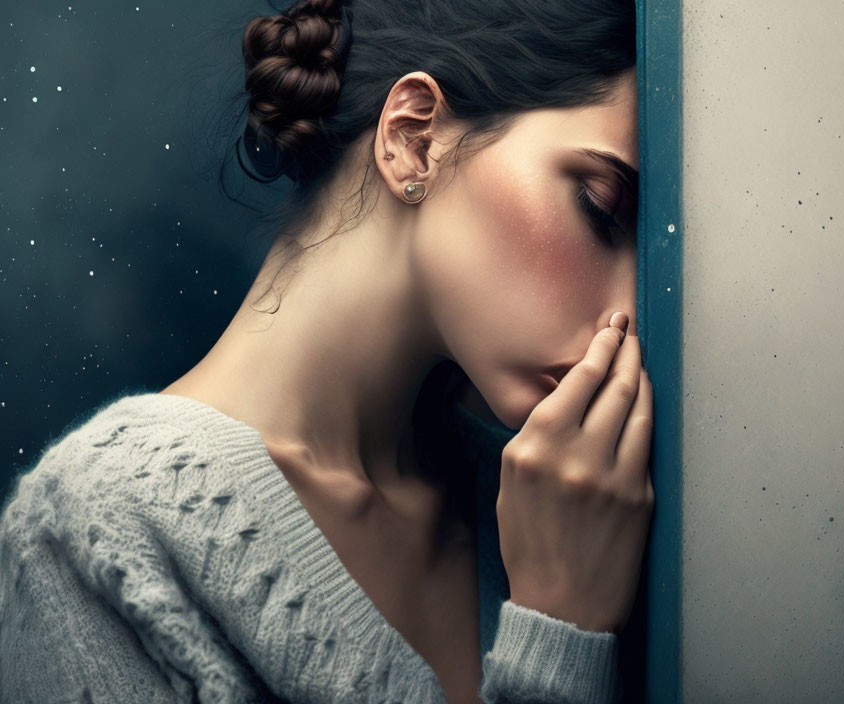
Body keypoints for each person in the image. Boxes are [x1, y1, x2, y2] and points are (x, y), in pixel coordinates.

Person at [0, 0, 654, 702]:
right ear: (415, 138)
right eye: (598, 204)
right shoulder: (101, 537)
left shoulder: (580, 505)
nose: (628, 311)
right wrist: (558, 631)